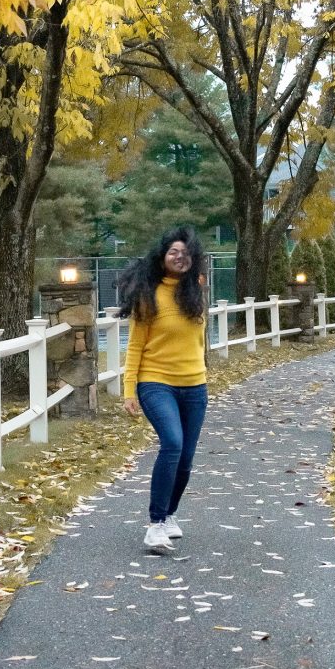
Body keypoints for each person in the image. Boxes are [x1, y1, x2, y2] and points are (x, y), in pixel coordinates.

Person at [118, 225, 208, 553]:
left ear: (192, 258)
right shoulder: (149, 294)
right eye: (173, 252)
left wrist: (202, 372)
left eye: (185, 253)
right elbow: (135, 346)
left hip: (195, 385)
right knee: (172, 443)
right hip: (156, 383)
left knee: (185, 459)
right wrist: (130, 391)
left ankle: (170, 515)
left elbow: (197, 340)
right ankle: (155, 525)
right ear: (163, 256)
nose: (179, 257)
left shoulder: (196, 290)